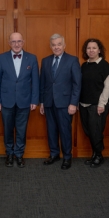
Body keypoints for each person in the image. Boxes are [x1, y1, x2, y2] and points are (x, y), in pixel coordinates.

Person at [0, 32, 39, 168]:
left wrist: (34, 100)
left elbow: (36, 81)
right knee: (7, 129)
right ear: (9, 43)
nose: (16, 44)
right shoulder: (1, 58)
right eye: (13, 41)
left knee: (21, 129)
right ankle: (9, 153)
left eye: (19, 41)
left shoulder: (32, 58)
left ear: (23, 42)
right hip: (6, 100)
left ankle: (19, 154)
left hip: (25, 101)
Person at [40, 34, 81, 170]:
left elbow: (77, 84)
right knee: (51, 130)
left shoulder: (72, 60)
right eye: (53, 45)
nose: (56, 47)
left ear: (64, 45)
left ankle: (67, 156)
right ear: (50, 46)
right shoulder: (45, 61)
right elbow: (43, 83)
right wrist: (42, 102)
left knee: (65, 130)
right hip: (49, 102)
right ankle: (54, 154)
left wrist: (73, 103)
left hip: (65, 103)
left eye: (59, 44)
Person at [79, 38, 109, 168]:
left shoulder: (104, 65)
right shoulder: (84, 65)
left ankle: (99, 155)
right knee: (88, 131)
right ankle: (95, 154)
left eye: (94, 48)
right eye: (88, 48)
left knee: (96, 131)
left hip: (97, 105)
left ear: (99, 50)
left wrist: (102, 104)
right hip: (83, 104)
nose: (91, 50)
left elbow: (108, 86)